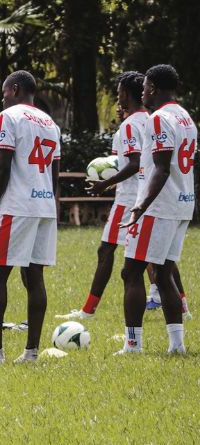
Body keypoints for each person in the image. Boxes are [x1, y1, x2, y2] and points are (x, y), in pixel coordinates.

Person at [0, 70, 61, 364]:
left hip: (17, 206)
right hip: (45, 205)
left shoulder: (8, 117)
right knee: (34, 277)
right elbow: (55, 174)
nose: (1, 97)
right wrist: (52, 204)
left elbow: (3, 166)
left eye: (3, 91)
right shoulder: (50, 123)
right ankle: (31, 353)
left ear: (14, 89)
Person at [116, 64, 196, 355]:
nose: (143, 91)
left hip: (159, 206)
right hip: (182, 203)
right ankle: (177, 345)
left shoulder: (159, 119)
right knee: (163, 273)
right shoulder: (185, 116)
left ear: (158, 89)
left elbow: (161, 168)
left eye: (147, 86)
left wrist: (140, 206)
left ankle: (133, 345)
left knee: (131, 271)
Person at [56, 72, 147, 320]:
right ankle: (182, 306)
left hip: (129, 199)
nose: (117, 97)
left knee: (106, 250)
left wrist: (103, 183)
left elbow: (133, 163)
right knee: (154, 257)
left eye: (119, 92)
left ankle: (88, 311)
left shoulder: (130, 125)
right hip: (149, 195)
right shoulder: (151, 120)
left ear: (126, 94)